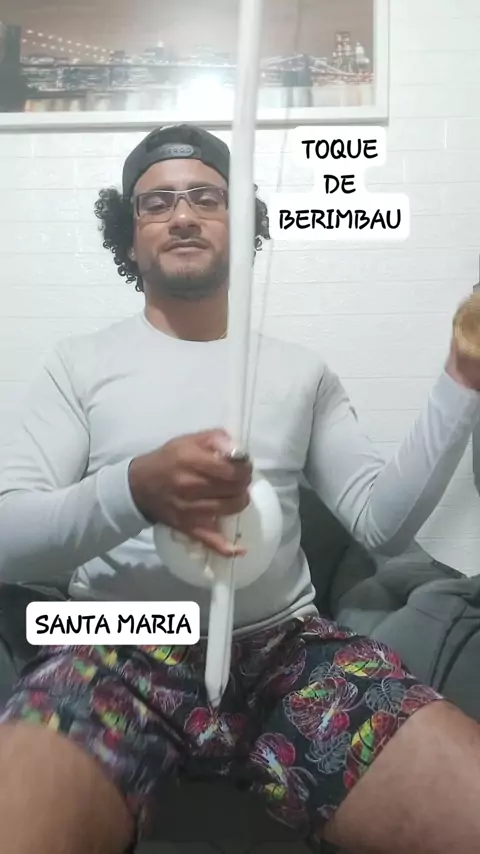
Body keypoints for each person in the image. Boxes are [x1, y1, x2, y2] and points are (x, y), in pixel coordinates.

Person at [0, 123, 479, 854]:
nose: (183, 214)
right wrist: (134, 491)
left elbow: (380, 523)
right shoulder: (78, 365)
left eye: (206, 197)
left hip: (287, 653)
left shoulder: (301, 371)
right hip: (115, 646)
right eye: (157, 202)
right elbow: (9, 537)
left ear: (241, 221)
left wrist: (463, 378)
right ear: (128, 235)